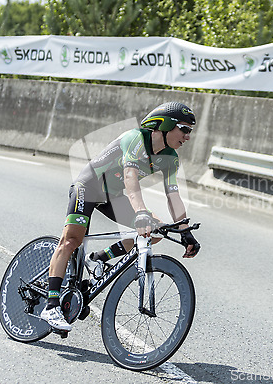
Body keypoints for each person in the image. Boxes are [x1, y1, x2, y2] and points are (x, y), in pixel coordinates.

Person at [40, 101, 201, 331]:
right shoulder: (135, 138)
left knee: (155, 232)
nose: (187, 137)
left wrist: (185, 231)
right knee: (71, 240)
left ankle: (99, 258)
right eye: (184, 129)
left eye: (190, 131)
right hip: (88, 187)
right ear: (165, 125)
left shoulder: (170, 158)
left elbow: (173, 195)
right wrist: (141, 211)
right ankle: (51, 305)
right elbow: (130, 179)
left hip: (111, 196)